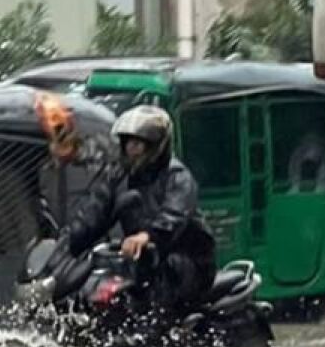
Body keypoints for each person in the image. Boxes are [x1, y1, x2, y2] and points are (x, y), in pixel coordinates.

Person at [62, 104, 216, 312]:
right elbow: (97, 208)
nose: (131, 149)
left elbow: (174, 214)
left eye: (138, 143)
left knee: (155, 293)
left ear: (155, 146)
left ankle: (161, 341)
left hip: (187, 259)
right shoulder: (120, 176)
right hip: (142, 260)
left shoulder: (177, 176)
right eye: (128, 142)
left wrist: (147, 236)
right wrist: (67, 240)